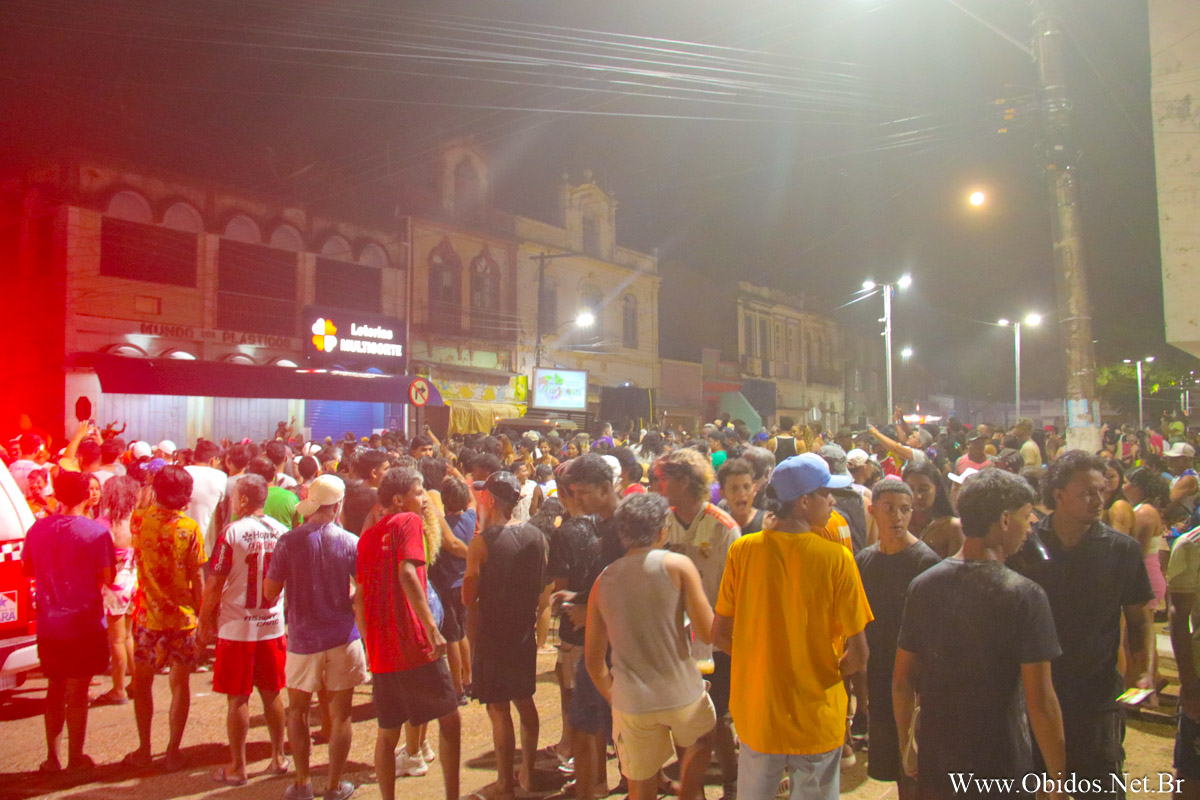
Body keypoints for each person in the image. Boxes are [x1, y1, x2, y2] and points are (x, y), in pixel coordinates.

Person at [893, 468, 1066, 800]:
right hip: (1000, 768)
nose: (1030, 527)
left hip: (937, 763)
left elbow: (903, 680)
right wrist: (1059, 782)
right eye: (1025, 517)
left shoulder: (923, 585)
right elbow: (1041, 701)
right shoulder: (1025, 595)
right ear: (1004, 520)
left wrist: (907, 747)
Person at [713, 454, 871, 800]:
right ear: (803, 502)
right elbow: (859, 655)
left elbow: (720, 635)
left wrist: (759, 664)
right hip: (816, 715)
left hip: (758, 712)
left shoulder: (742, 551)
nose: (832, 501)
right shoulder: (836, 559)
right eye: (825, 493)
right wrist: (821, 673)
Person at [1012, 451, 1154, 799]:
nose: (1098, 499)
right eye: (1087, 492)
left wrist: (1144, 671)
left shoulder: (1121, 550)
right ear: (1059, 495)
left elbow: (1139, 620)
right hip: (1036, 695)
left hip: (1097, 698)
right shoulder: (1025, 545)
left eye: (1101, 491)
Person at [586, 493, 716, 800]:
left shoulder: (603, 580)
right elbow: (707, 631)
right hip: (681, 691)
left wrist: (614, 695)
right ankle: (688, 794)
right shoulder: (678, 565)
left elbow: (593, 662)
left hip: (631, 700)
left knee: (640, 786)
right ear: (662, 529)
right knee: (702, 741)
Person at [355, 468, 461, 800]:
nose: (425, 499)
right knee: (450, 720)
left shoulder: (367, 537)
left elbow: (359, 598)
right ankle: (453, 795)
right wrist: (431, 628)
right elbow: (407, 574)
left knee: (388, 733)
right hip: (415, 644)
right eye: (419, 492)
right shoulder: (408, 522)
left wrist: (369, 645)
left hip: (382, 650)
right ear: (399, 499)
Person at [265, 474, 367, 800]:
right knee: (341, 715)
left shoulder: (288, 541)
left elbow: (270, 592)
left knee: (296, 711)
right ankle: (334, 786)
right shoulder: (350, 542)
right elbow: (363, 589)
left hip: (302, 640)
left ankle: (302, 782)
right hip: (342, 637)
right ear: (338, 506)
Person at [199, 474, 290, 787]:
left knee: (238, 698)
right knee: (272, 693)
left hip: (237, 626)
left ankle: (238, 767)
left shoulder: (232, 532)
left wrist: (204, 620)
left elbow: (215, 582)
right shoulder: (282, 532)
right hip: (271, 624)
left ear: (242, 500)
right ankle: (279, 756)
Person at [22, 470, 115, 773]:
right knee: (78, 692)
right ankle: (76, 756)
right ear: (87, 495)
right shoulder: (95, 533)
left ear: (57, 495)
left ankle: (52, 757)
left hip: (50, 623)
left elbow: (27, 569)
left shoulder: (37, 529)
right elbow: (107, 576)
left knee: (55, 688)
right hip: (84, 623)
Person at [462, 470, 547, 799]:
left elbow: (468, 597)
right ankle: (528, 773)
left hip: (493, 634)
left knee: (498, 710)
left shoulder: (481, 543)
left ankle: (504, 783)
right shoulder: (537, 537)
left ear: (489, 499)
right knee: (525, 702)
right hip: (523, 631)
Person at [853, 479, 940, 799]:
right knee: (895, 762)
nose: (897, 517)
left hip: (914, 679)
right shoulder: (864, 560)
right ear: (873, 511)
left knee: (917, 761)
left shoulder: (925, 563)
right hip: (880, 675)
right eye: (889, 509)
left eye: (905, 509)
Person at [125, 465, 205, 771]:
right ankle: (173, 751)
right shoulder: (189, 528)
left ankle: (144, 749)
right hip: (182, 618)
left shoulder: (138, 521)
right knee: (180, 685)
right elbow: (197, 577)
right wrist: (203, 614)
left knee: (142, 685)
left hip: (148, 617)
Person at [94, 476, 140, 707]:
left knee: (116, 640)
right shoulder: (136, 520)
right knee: (128, 635)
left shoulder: (104, 523)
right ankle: (137, 682)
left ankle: (119, 688)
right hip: (133, 581)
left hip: (114, 585)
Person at [902, 460, 963, 559]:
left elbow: (956, 567)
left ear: (937, 489)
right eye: (911, 489)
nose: (918, 496)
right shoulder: (900, 523)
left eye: (924, 489)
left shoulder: (951, 527)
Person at [185, 439, 227, 551]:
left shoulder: (182, 472)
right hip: (204, 544)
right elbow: (219, 509)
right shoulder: (220, 476)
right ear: (213, 460)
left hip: (180, 538)